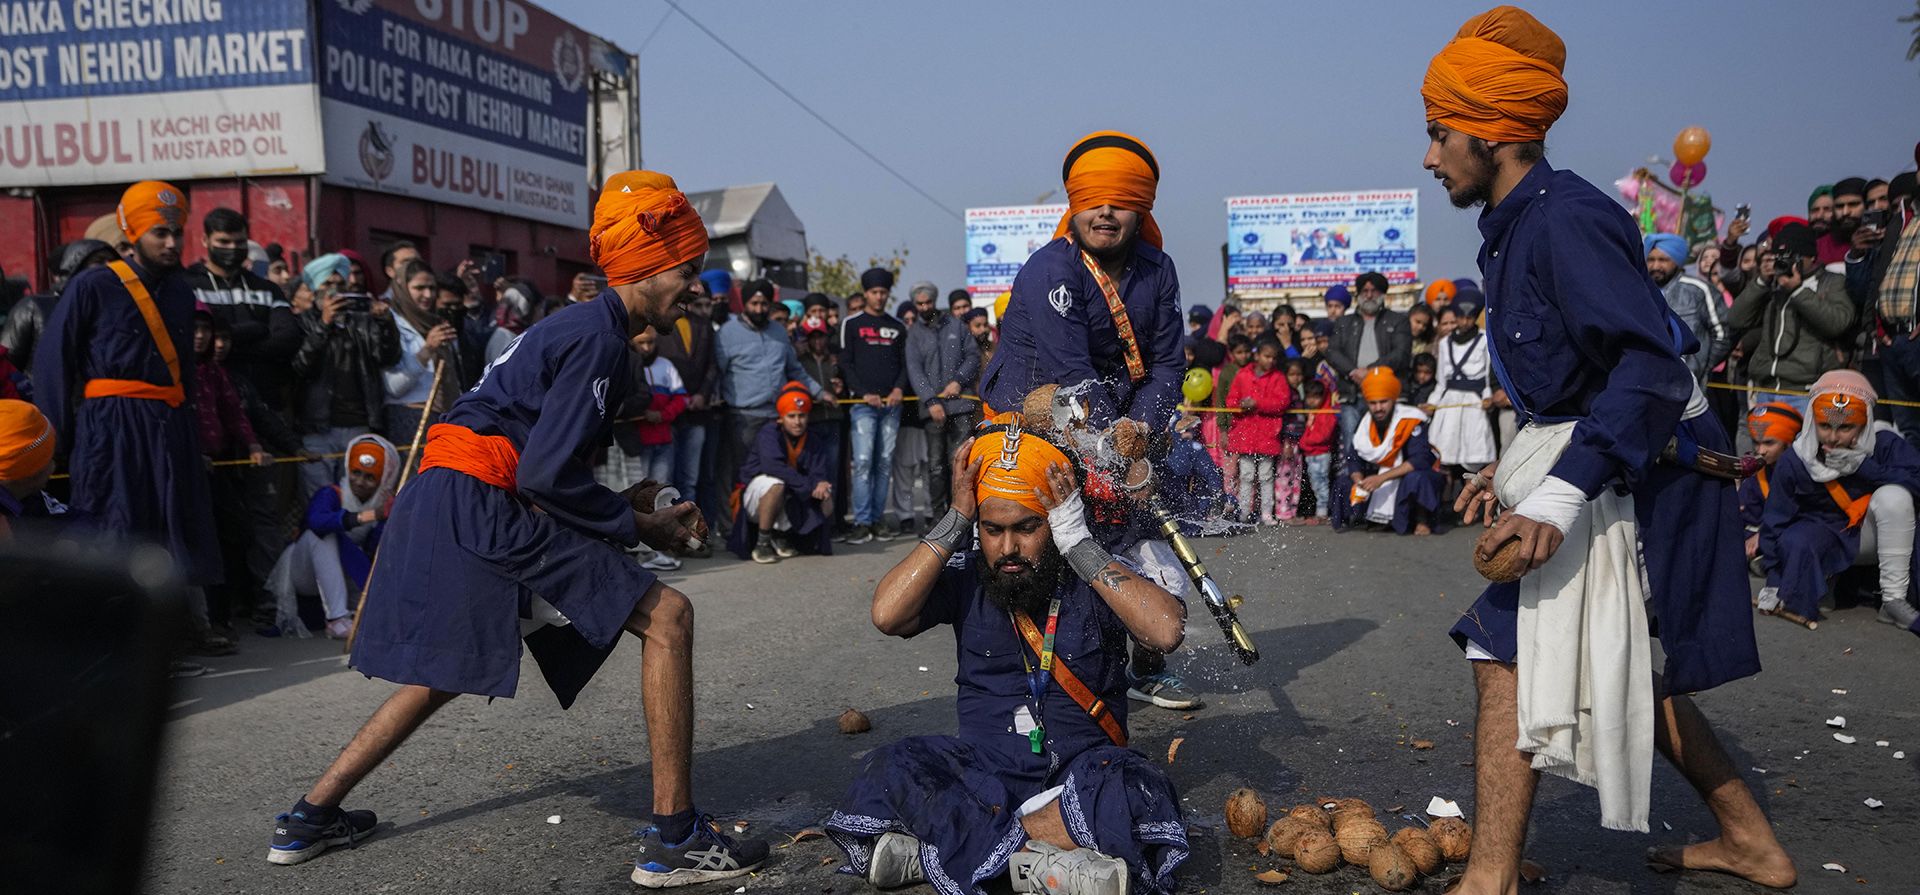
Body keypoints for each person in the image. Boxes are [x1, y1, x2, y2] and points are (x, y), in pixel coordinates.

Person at [270, 171, 770, 885]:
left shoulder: (577, 327)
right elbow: (540, 476)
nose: (691, 285)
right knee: (670, 617)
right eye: (686, 269)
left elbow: (539, 463)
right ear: (647, 266)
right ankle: (674, 839)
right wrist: (636, 524)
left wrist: (628, 501)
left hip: (452, 492)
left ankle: (307, 816)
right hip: (481, 495)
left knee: (442, 671)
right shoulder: (599, 339)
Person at [1425, 9, 1793, 891]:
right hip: (1608, 468)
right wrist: (1511, 472)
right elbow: (1573, 382)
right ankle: (1751, 839)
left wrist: (1556, 495)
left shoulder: (1567, 221)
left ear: (1491, 131)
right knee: (1631, 664)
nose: (1430, 157)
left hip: (1647, 476)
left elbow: (1649, 370)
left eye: (1439, 135)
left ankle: (1490, 875)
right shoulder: (1516, 224)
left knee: (1502, 651)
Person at [827, 416, 1188, 895]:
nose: (1008, 548)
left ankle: (948, 851)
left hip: (1078, 779)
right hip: (983, 778)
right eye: (992, 529)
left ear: (1055, 519)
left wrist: (1077, 543)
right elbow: (886, 614)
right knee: (896, 765)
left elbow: (1164, 631)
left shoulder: (1090, 567)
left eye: (1027, 528)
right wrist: (956, 520)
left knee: (1137, 785)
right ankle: (1037, 863)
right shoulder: (968, 573)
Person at [33, 181, 230, 654]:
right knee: (114, 525)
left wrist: (194, 437)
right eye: (160, 233)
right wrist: (50, 440)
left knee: (172, 526)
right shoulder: (94, 284)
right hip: (112, 428)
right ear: (134, 233)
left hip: (170, 428)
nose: (171, 243)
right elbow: (54, 361)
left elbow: (187, 375)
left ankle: (171, 634)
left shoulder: (182, 294)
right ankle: (109, 639)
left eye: (177, 233)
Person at [980, 132, 1184, 433]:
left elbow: (1168, 366)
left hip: (1119, 424)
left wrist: (1140, 430)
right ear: (1075, 208)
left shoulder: (1160, 269)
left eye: (1120, 202)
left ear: (1140, 213)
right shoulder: (1051, 268)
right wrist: (1114, 444)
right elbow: (1073, 372)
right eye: (1092, 200)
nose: (1105, 212)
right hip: (1027, 423)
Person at [1755, 372, 1920, 634]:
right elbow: (1775, 520)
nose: (1832, 438)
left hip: (1875, 535)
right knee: (1793, 539)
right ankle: (1822, 578)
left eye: (1845, 427)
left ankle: (1893, 600)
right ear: (1812, 420)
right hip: (1822, 533)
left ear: (1864, 423)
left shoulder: (1884, 443)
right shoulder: (1796, 459)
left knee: (1894, 497)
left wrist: (1869, 469)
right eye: (1824, 426)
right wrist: (1774, 578)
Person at [290, 253, 402, 498]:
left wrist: (385, 324)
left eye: (340, 284)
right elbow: (300, 367)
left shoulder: (361, 321)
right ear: (313, 289)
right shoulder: (301, 323)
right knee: (319, 499)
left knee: (357, 498)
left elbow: (388, 358)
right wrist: (324, 325)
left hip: (358, 426)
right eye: (327, 285)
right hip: (316, 427)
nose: (335, 291)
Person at [715, 279, 825, 528]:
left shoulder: (778, 332)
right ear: (745, 304)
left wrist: (819, 392)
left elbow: (794, 369)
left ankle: (771, 528)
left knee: (776, 474)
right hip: (742, 417)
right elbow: (718, 373)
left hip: (777, 418)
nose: (759, 308)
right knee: (742, 474)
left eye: (764, 303)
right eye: (754, 303)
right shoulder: (727, 333)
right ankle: (735, 528)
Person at [267, 434, 398, 639]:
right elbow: (317, 522)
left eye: (370, 477)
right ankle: (337, 619)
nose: (360, 482)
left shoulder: (384, 505)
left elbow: (376, 552)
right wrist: (369, 516)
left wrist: (390, 520)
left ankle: (355, 613)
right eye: (356, 473)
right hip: (304, 573)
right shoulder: (331, 494)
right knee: (324, 535)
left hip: (347, 576)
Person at [1729, 222, 1854, 414]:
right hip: (1766, 389)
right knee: (1763, 445)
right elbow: (1736, 319)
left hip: (1806, 391)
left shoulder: (1832, 282)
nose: (1785, 262)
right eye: (1779, 256)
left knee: (1802, 445)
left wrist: (1797, 291)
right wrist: (1761, 281)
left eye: (1792, 256)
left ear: (1811, 256)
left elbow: (1838, 323)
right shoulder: (1772, 286)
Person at [188, 208, 301, 410]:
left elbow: (289, 337)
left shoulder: (268, 289)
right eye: (223, 242)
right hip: (208, 404)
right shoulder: (188, 286)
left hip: (263, 401)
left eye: (240, 242)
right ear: (205, 240)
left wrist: (229, 343)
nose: (232, 248)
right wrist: (258, 329)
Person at [839, 270, 909, 544]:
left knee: (883, 463)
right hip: (862, 405)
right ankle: (861, 521)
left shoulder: (897, 326)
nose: (879, 297)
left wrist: (897, 389)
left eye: (883, 292)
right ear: (866, 294)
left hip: (891, 406)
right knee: (863, 462)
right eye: (874, 292)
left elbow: (905, 364)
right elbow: (845, 363)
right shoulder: (851, 324)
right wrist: (863, 393)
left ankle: (878, 520)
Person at [728, 384, 835, 564]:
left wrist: (821, 484)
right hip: (757, 494)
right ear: (781, 418)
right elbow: (773, 467)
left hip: (792, 491)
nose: (797, 422)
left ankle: (787, 537)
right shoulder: (769, 433)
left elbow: (818, 471)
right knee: (776, 483)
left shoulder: (813, 438)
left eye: (802, 416)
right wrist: (810, 485)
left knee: (826, 494)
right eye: (791, 416)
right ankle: (762, 542)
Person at [907, 281, 983, 520]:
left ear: (934, 301)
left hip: (960, 405)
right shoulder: (914, 335)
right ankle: (938, 515)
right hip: (933, 411)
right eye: (920, 303)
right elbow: (914, 370)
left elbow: (972, 356)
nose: (924, 306)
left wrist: (959, 380)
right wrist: (931, 401)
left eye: (928, 302)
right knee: (936, 465)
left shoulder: (956, 325)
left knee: (958, 461)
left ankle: (960, 513)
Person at [656, 274, 722, 541]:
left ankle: (694, 532)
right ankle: (668, 534)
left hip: (697, 413)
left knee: (691, 478)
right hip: (669, 415)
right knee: (666, 479)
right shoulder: (661, 325)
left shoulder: (704, 325)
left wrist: (702, 395)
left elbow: (712, 366)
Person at [1337, 367, 1441, 535]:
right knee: (1344, 480)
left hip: (1407, 474)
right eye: (1373, 403)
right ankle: (1361, 518)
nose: (1378, 408)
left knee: (1418, 478)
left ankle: (1422, 520)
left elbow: (1419, 459)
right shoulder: (1364, 423)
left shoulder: (1411, 419)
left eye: (1383, 402)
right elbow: (1353, 456)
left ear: (1393, 400)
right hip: (1376, 475)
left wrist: (1381, 478)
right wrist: (1358, 479)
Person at [1327, 271, 1412, 454]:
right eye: (1364, 290)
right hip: (1352, 393)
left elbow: (1401, 353)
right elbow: (1332, 352)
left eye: (1374, 290)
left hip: (1387, 395)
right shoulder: (1344, 322)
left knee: (1388, 445)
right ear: (1358, 294)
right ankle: (1356, 481)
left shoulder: (1398, 321)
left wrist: (1372, 371)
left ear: (1382, 294)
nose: (1369, 294)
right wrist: (1353, 371)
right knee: (1352, 445)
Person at [380, 261, 463, 448]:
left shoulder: (435, 322)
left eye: (432, 288)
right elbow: (394, 387)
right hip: (409, 420)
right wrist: (427, 349)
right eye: (419, 288)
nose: (428, 295)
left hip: (442, 419)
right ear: (402, 288)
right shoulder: (390, 324)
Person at [4, 239, 117, 374]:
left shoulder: (119, 310)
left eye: (114, 262)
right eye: (99, 261)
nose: (109, 267)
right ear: (76, 267)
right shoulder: (34, 308)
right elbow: (6, 365)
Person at [1643, 232, 1731, 386]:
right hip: (1649, 381)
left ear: (1676, 261)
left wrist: (1700, 367)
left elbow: (1723, 335)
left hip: (1689, 385)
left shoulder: (1698, 289)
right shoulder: (1641, 291)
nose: (1656, 266)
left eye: (1663, 260)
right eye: (1651, 260)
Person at [1428, 298, 1498, 479]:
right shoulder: (1444, 343)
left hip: (1474, 401)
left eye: (1469, 317)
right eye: (1461, 317)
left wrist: (1488, 397)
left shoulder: (1484, 339)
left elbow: (1488, 376)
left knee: (1474, 448)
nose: (1465, 322)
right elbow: (1441, 380)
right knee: (1445, 447)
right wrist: (1432, 403)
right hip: (1450, 400)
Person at [1225, 339, 1291, 525]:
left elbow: (1282, 403)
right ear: (1257, 355)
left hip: (1267, 436)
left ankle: (1266, 514)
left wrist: (1257, 404)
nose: (1270, 360)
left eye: (1273, 357)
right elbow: (1230, 401)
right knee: (1246, 476)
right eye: (1266, 356)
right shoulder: (1242, 375)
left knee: (1266, 477)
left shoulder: (1278, 377)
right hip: (1245, 435)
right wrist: (1241, 406)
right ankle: (1244, 513)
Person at [1738, 402, 1801, 568]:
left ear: (1788, 443)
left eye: (1769, 443)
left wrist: (1763, 534)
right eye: (1756, 443)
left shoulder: (1801, 472)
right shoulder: (1758, 473)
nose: (1760, 451)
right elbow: (1746, 511)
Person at [0, 398, 60, 540]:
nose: (54, 467)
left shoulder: (29, 498)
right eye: (49, 458)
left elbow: (72, 518)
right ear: (31, 472)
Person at [1296, 379, 1337, 524]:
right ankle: (1320, 511)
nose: (1312, 401)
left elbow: (1323, 435)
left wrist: (1304, 442)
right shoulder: (1313, 413)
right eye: (1309, 397)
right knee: (1315, 483)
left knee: (1321, 483)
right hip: (1311, 454)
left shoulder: (1327, 414)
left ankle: (1322, 512)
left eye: (1316, 397)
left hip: (1321, 454)